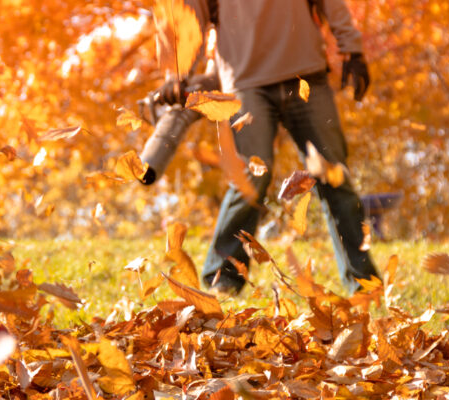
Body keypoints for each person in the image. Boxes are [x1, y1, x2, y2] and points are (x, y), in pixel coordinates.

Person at [154, 0, 379, 293]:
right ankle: (222, 281)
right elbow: (187, 13)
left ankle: (363, 285)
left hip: (305, 73)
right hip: (246, 82)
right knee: (252, 177)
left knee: (334, 175)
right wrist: (176, 72)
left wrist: (353, 49)